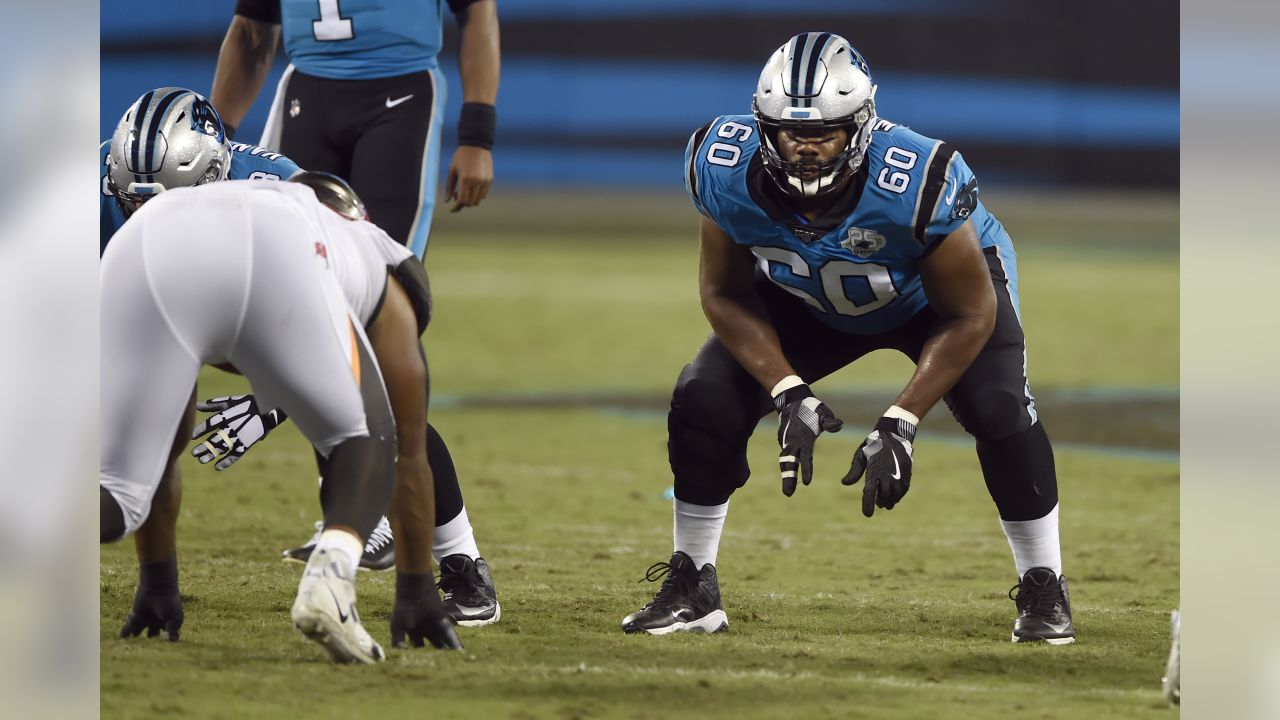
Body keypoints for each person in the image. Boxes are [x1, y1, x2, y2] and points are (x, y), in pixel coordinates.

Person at [621, 32, 1074, 645]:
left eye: (824, 133)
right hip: (809, 296)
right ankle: (693, 584)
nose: (806, 149)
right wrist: (788, 390)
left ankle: (1044, 585)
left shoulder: (917, 178)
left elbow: (969, 315)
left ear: (859, 126)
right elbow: (724, 293)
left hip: (928, 300)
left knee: (997, 405)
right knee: (704, 396)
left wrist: (901, 421)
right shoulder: (721, 167)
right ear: (763, 128)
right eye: (791, 133)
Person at [207, 1, 502, 620]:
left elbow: (477, 12)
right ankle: (361, 517)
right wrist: (214, 140)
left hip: (399, 96)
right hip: (304, 96)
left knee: (374, 334)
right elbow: (252, 32)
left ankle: (462, 568)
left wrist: (477, 134)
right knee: (291, 299)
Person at [102, 174, 462, 661]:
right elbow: (408, 455)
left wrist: (159, 584)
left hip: (141, 238)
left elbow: (168, 441)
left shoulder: (259, 203)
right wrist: (417, 592)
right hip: (276, 245)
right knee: (370, 443)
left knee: (119, 498)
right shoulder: (377, 265)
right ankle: (329, 584)